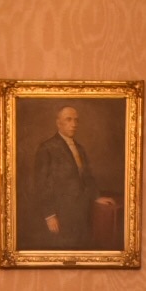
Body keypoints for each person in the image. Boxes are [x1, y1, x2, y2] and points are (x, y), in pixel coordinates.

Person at [30, 106, 97, 250]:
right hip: (61, 215)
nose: (74, 124)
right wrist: (49, 215)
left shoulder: (80, 148)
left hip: (82, 213)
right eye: (68, 119)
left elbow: (87, 178)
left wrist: (96, 197)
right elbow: (41, 184)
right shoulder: (47, 148)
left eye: (76, 120)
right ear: (58, 123)